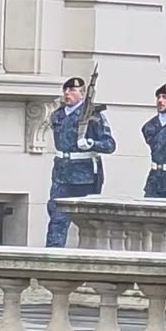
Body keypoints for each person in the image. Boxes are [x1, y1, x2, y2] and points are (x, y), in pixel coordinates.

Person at [44, 76, 115, 247]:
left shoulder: (93, 116)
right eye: (66, 90)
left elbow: (110, 144)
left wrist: (92, 143)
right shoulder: (57, 115)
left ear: (82, 94)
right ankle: (52, 259)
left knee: (89, 221)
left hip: (85, 175)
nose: (67, 93)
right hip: (62, 174)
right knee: (57, 218)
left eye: (72, 90)